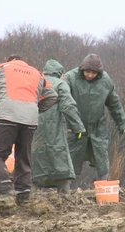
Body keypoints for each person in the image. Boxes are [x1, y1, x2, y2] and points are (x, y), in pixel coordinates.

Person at [0, 54, 58, 204]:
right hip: (30, 119)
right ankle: (23, 192)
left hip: (7, 116)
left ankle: (4, 184)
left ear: (10, 61)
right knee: (23, 157)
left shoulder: (1, 68)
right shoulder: (37, 73)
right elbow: (52, 95)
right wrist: (35, 109)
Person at [64, 53, 125, 186]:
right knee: (70, 161)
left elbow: (114, 103)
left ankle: (104, 189)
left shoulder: (105, 81)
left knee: (102, 161)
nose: (90, 75)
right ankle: (66, 192)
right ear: (82, 69)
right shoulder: (70, 78)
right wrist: (73, 124)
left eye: (93, 73)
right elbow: (63, 100)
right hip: (74, 128)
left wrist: (121, 122)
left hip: (97, 129)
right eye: (87, 72)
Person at [30, 59, 86, 195]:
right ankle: (64, 195)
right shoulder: (61, 84)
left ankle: (30, 195)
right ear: (60, 73)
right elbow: (68, 106)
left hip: (32, 126)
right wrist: (78, 128)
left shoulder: (36, 81)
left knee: (34, 156)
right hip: (54, 128)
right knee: (59, 156)